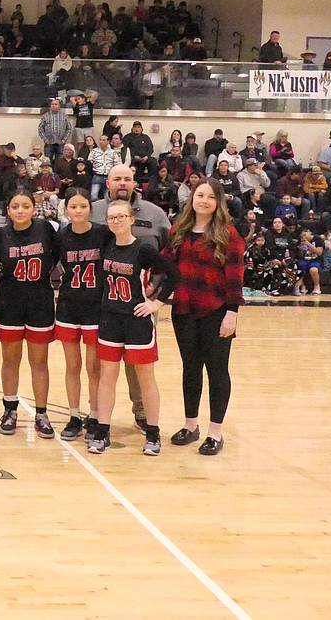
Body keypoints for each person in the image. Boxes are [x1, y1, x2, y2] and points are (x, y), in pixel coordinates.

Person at [87, 199, 179, 456]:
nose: (116, 221)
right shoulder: (105, 245)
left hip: (137, 320)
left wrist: (156, 303)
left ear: (131, 219)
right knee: (107, 377)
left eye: (121, 216)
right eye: (111, 217)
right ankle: (102, 432)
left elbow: (174, 273)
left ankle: (152, 433)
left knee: (145, 378)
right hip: (109, 319)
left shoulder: (143, 249)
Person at [164, 179, 245, 456]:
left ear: (218, 202)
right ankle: (190, 425)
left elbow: (235, 277)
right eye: (200, 195)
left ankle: (215, 432)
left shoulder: (228, 234)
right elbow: (166, 265)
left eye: (210, 197)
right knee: (190, 368)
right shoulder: (179, 230)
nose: (204, 201)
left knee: (217, 371)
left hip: (216, 311)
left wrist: (232, 313)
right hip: (184, 310)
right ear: (192, 199)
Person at [0, 189, 59, 438]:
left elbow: (56, 258)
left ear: (34, 208)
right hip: (9, 302)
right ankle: (10, 409)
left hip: (40, 301)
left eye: (25, 206)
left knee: (39, 361)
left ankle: (41, 413)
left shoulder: (45, 229)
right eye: (15, 207)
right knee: (10, 360)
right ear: (8, 210)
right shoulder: (0, 235)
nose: (20, 211)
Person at [55, 189, 110, 442]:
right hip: (68, 305)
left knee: (93, 368)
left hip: (95, 307)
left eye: (83, 206)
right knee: (72, 366)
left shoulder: (102, 233)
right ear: (66, 209)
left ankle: (96, 415)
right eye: (73, 207)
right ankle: (75, 415)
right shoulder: (61, 235)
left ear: (90, 208)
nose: (78, 211)